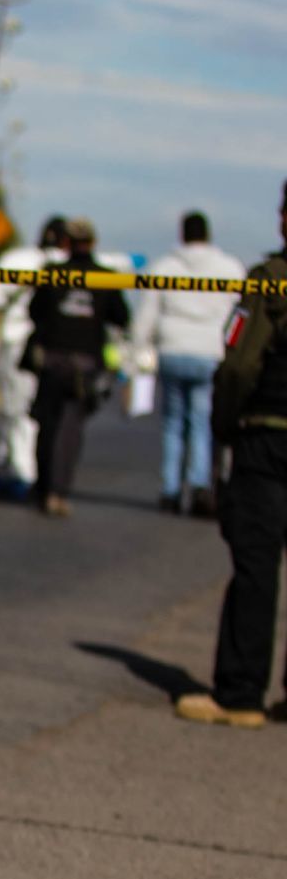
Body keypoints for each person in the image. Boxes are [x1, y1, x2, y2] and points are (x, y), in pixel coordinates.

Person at [177, 183, 287, 728]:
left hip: (268, 439)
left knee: (256, 567)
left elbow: (241, 365)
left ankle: (241, 694)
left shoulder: (271, 282)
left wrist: (224, 427)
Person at [134, 212, 246, 517]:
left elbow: (147, 314)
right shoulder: (229, 267)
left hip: (172, 350)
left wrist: (138, 350)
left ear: (182, 235)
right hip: (210, 352)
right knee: (201, 422)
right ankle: (198, 485)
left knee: (172, 422)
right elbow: (240, 314)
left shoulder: (165, 266)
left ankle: (170, 488)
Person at [25, 217, 133, 517]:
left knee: (47, 426)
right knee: (70, 429)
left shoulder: (53, 274)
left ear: (67, 243)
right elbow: (121, 317)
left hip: (52, 360)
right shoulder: (105, 278)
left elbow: (35, 312)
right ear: (93, 243)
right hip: (84, 365)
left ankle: (44, 486)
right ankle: (58, 491)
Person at [0, 216, 68, 500]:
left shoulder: (17, 259)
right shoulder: (71, 265)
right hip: (56, 349)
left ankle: (23, 472)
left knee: (16, 409)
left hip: (19, 342)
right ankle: (9, 465)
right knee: (39, 412)